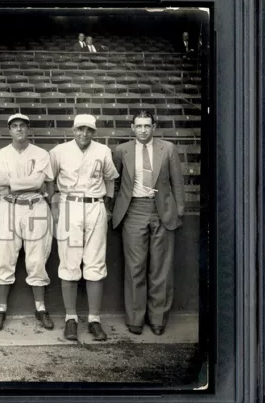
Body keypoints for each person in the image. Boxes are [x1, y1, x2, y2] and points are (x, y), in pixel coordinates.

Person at [112, 111, 185, 336]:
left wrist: (178, 211)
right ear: (132, 128)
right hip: (133, 210)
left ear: (154, 127)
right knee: (135, 267)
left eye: (147, 125)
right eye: (139, 126)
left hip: (162, 209)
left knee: (160, 269)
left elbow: (177, 182)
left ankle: (158, 318)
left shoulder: (168, 149)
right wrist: (113, 209)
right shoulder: (122, 150)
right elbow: (114, 184)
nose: (143, 130)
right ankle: (135, 318)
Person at [48, 114, 119, 342]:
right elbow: (50, 178)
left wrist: (107, 206)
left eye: (89, 130)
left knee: (95, 262)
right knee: (69, 262)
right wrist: (54, 203)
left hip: (95, 206)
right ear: (73, 129)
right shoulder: (59, 151)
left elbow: (110, 179)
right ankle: (71, 318)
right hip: (69, 205)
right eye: (80, 129)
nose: (84, 134)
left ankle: (94, 320)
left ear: (94, 132)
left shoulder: (103, 151)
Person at [0, 114, 55, 331]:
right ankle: (1, 309)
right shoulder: (0, 155)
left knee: (37, 260)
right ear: (9, 130)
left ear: (28, 129)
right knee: (4, 258)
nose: (19, 130)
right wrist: (29, 184)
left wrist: (14, 183)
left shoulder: (41, 154)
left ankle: (40, 307)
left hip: (35, 206)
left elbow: (38, 182)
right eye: (15, 126)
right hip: (8, 206)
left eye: (22, 126)